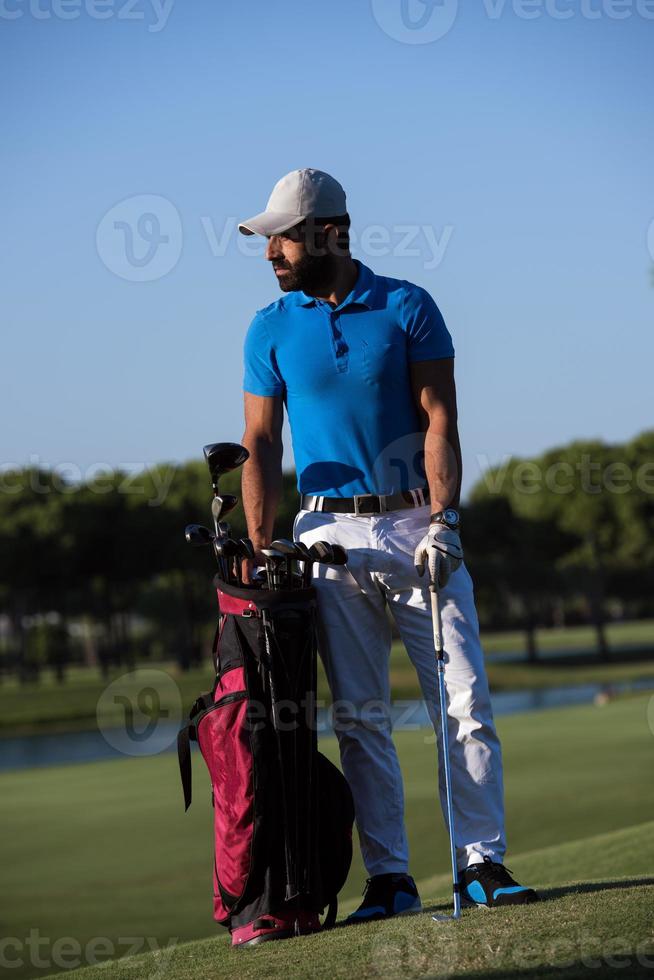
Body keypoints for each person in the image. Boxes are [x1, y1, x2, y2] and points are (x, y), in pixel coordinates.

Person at [238, 168, 538, 920]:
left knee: (463, 700)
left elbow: (441, 419)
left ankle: (480, 864)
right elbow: (259, 442)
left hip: (413, 526)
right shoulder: (269, 326)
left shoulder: (407, 306)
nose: (270, 251)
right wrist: (259, 544)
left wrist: (446, 520)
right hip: (324, 533)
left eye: (282, 235)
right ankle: (391, 880)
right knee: (361, 717)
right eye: (268, 237)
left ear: (327, 231)